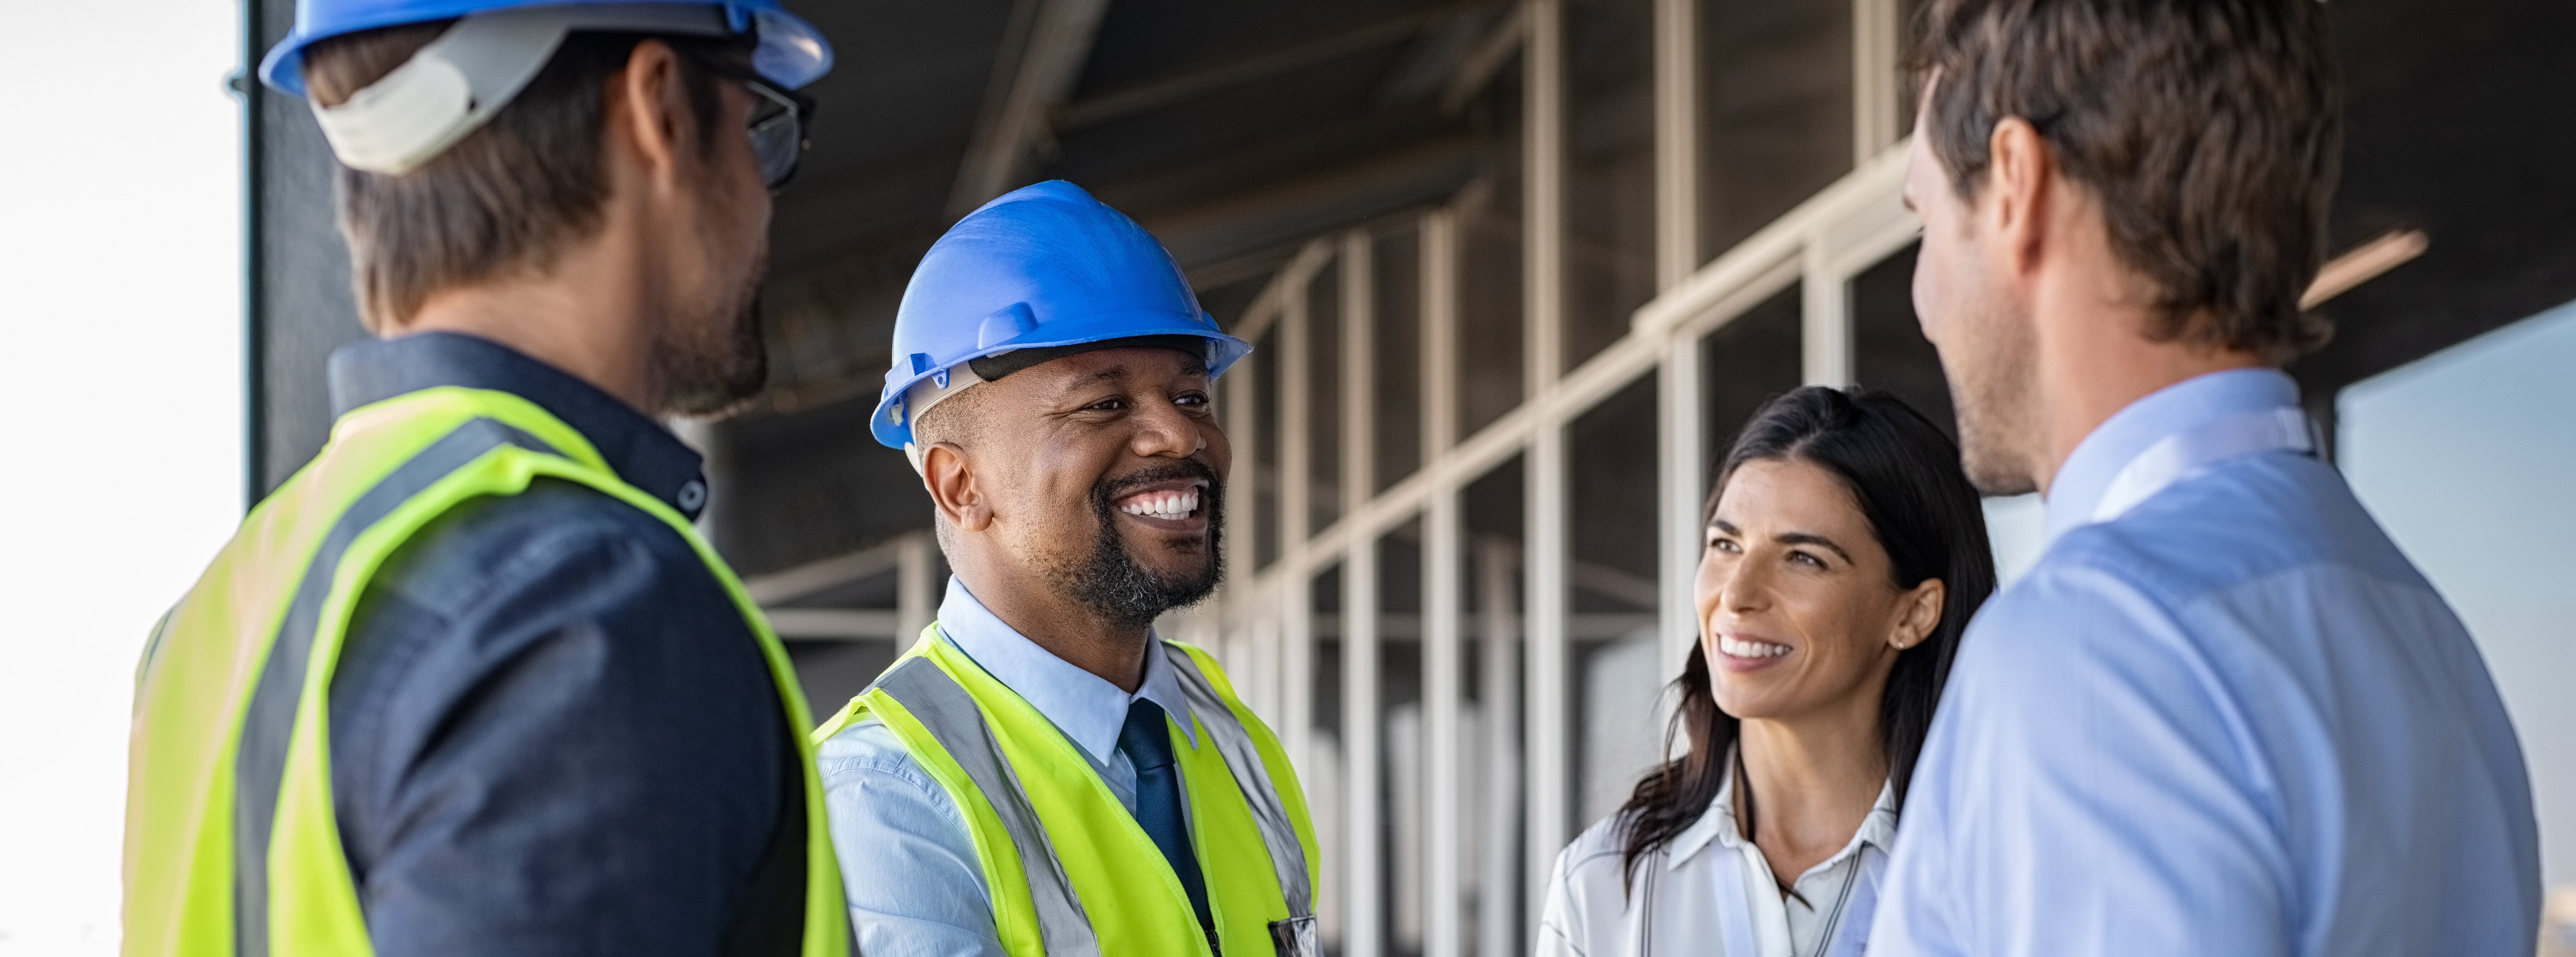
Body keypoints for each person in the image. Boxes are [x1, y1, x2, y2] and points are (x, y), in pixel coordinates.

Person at [122, 3, 849, 955]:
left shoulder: (220, 610)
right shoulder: (585, 604)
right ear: (660, 109)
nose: (764, 200)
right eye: (759, 128)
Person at [1870, 1, 2540, 955]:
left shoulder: (2092, 646)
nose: (1923, 299)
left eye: (1926, 220)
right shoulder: (2421, 631)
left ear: (2015, 185)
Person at [811, 179, 1320, 957]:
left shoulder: (1225, 734)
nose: (1178, 439)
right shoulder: (886, 798)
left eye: (1190, 397)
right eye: (1104, 406)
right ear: (960, 485)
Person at [1538, 386, 1995, 957]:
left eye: (1803, 558)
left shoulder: (2000, 868)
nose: (1737, 594)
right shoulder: (1602, 885)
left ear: (1913, 613)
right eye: (1726, 544)